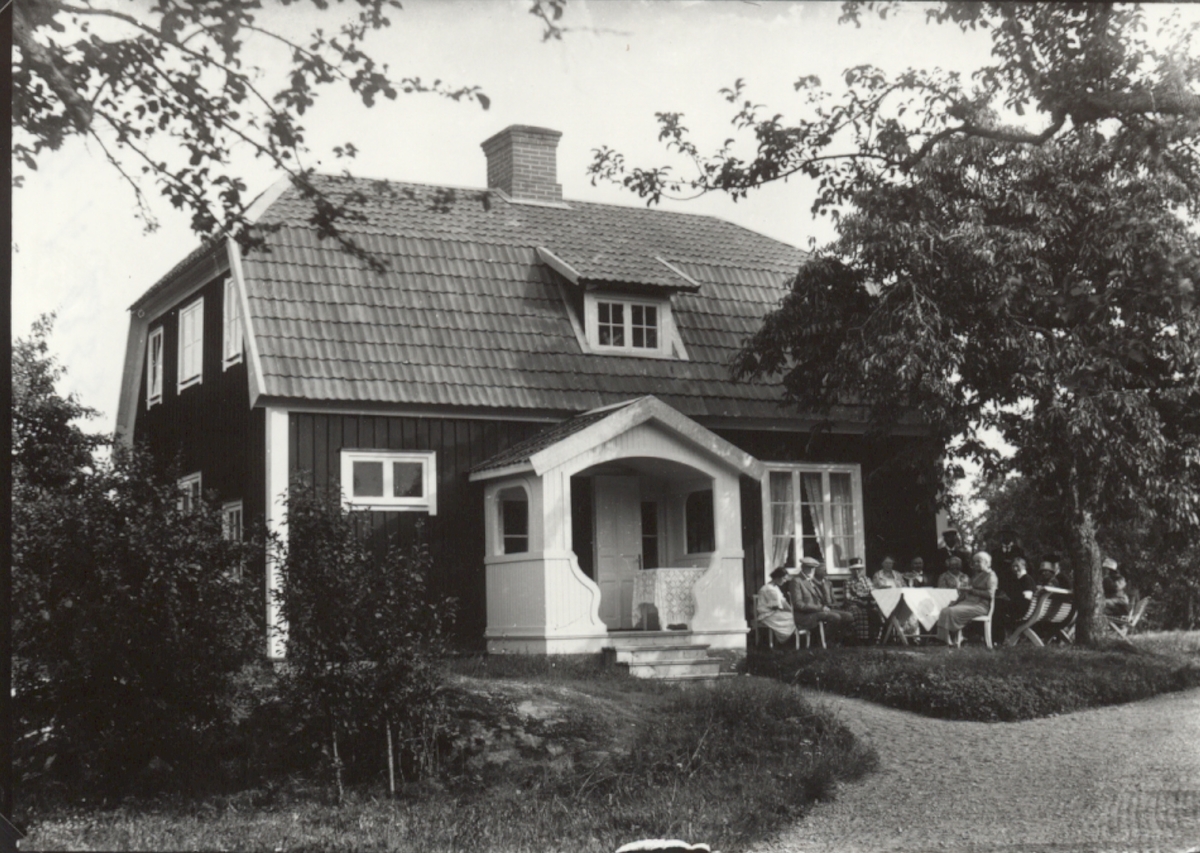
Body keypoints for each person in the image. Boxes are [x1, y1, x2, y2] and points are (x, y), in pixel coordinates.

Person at [936, 551, 998, 646]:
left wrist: (972, 591)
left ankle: (955, 640)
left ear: (986, 562)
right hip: (968, 603)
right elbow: (966, 593)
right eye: (975, 562)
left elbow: (990, 594)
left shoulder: (991, 576)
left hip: (981, 605)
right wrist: (956, 602)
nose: (976, 564)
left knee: (951, 612)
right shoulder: (976, 575)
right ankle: (948, 640)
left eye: (979, 561)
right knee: (945, 610)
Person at [787, 557, 855, 642]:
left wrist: (825, 592)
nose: (811, 571)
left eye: (813, 568)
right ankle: (824, 641)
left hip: (818, 611)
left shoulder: (811, 581)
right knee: (835, 617)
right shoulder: (796, 581)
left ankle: (836, 640)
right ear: (802, 567)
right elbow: (798, 604)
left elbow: (823, 599)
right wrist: (820, 608)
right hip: (805, 615)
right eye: (809, 568)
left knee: (849, 616)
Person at [872, 554, 919, 638]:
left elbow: (904, 587)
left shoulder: (897, 574)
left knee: (911, 608)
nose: (888, 565)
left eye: (890, 563)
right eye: (886, 563)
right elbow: (875, 589)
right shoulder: (877, 575)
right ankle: (900, 636)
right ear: (882, 564)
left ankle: (911, 637)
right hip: (884, 602)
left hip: (899, 600)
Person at [755, 567, 797, 644]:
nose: (785, 581)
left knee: (796, 616)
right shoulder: (769, 589)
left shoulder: (775, 587)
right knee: (795, 618)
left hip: (774, 613)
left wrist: (792, 611)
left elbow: (783, 602)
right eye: (784, 578)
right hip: (767, 615)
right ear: (778, 577)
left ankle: (788, 640)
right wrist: (792, 613)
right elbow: (777, 606)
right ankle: (787, 641)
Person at [843, 556, 878, 643]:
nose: (857, 571)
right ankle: (860, 639)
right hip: (854, 604)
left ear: (862, 570)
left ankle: (873, 638)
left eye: (859, 569)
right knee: (859, 613)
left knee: (876, 612)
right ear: (851, 570)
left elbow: (873, 592)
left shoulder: (866, 580)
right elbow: (848, 596)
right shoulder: (848, 581)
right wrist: (860, 601)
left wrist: (871, 600)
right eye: (854, 569)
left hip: (868, 603)